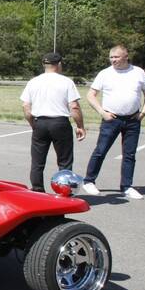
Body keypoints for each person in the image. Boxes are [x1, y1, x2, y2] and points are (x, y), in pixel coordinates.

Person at [81, 45, 145, 200]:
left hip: (133, 120)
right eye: (111, 57)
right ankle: (89, 181)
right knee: (101, 150)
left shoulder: (138, 72)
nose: (113, 60)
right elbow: (91, 95)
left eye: (116, 57)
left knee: (130, 154)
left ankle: (126, 186)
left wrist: (142, 113)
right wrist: (102, 112)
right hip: (111, 120)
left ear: (126, 57)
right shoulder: (105, 74)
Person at [20, 52, 86, 192]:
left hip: (40, 122)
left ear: (44, 65)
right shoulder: (66, 82)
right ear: (59, 64)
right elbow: (74, 107)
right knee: (64, 162)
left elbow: (26, 106)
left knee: (37, 161)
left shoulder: (33, 81)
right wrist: (80, 126)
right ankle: (64, 189)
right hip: (60, 123)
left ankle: (37, 190)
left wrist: (33, 123)